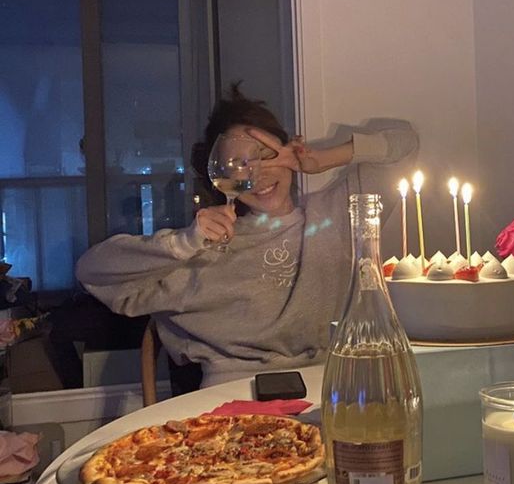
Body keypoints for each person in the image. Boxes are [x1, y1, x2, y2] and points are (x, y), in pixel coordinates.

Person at [76, 85, 418, 388]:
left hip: (331, 384)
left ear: (289, 153)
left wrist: (326, 157)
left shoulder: (340, 214)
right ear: (219, 178)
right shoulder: (204, 246)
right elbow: (92, 272)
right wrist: (183, 243)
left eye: (266, 155)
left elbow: (406, 143)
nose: (257, 173)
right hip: (230, 400)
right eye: (238, 165)